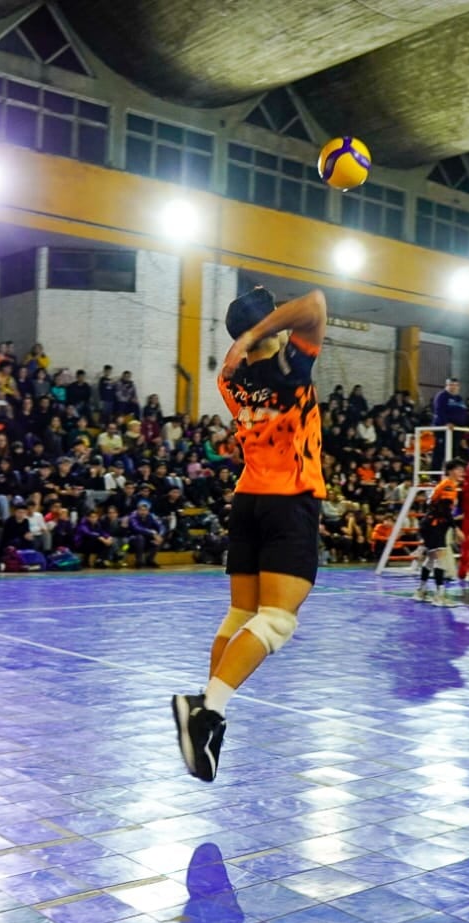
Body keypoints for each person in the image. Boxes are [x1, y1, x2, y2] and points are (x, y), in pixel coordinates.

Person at [173, 285, 328, 783]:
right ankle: (208, 712)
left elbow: (293, 317)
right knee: (277, 621)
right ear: (269, 327)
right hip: (289, 499)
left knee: (242, 614)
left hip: (248, 500)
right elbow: (316, 304)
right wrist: (257, 333)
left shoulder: (229, 378)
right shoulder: (290, 369)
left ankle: (206, 706)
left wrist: (247, 338)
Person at [414, 459, 465, 607]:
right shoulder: (448, 486)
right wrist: (456, 528)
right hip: (435, 525)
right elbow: (444, 510)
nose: (462, 472)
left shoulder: (445, 484)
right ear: (450, 471)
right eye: (459, 469)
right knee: (439, 560)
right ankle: (439, 596)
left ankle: (421, 591)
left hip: (430, 524)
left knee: (431, 558)